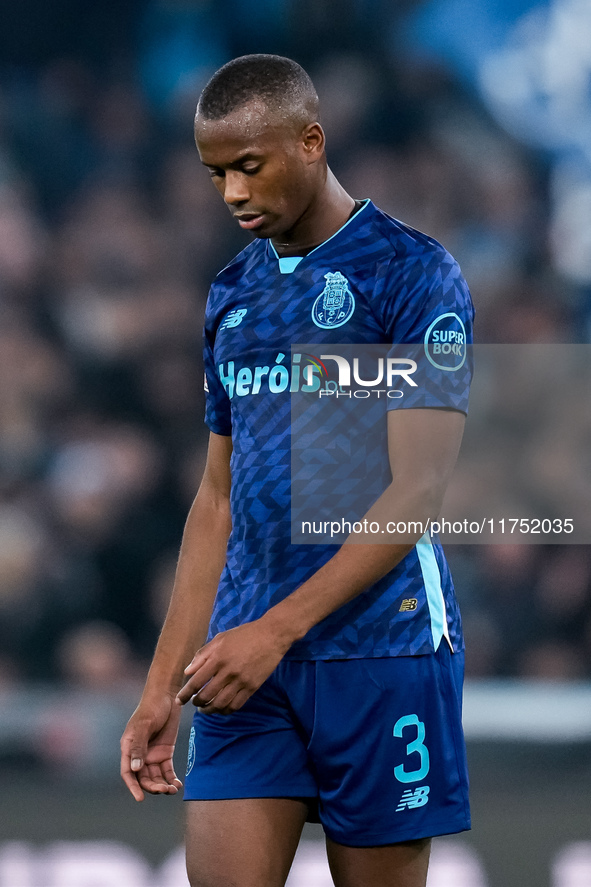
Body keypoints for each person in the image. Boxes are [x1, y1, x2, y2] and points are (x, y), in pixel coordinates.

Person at [121, 54, 473, 887]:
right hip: (242, 663)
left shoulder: (413, 274)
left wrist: (274, 630)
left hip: (380, 651)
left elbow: (417, 492)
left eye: (250, 165)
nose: (233, 192)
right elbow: (216, 501)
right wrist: (160, 684)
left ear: (311, 141)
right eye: (215, 174)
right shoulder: (231, 294)